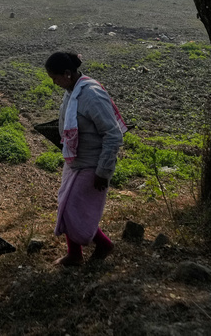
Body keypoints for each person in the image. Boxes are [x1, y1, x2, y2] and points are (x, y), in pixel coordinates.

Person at [44, 51, 126, 266]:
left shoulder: (91, 94)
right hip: (75, 161)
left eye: (55, 78)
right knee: (67, 206)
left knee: (73, 209)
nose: (54, 83)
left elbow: (113, 133)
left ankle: (102, 246)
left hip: (92, 163)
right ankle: (77, 254)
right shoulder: (72, 90)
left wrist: (103, 171)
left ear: (68, 73)